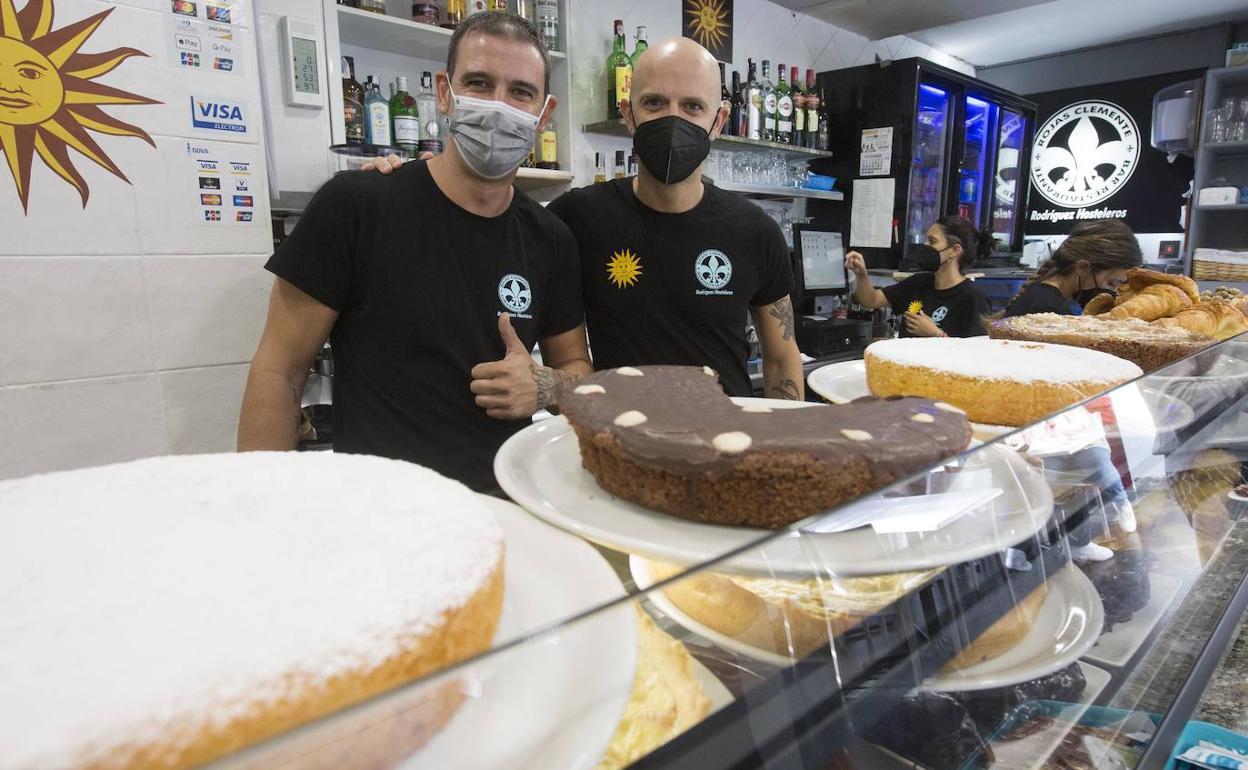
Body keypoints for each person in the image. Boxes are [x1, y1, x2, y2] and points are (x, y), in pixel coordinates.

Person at [237, 13, 592, 492]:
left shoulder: (552, 238)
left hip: (507, 508)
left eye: (520, 92)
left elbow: (576, 371)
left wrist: (543, 385)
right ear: (445, 93)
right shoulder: (356, 205)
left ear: (543, 113)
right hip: (382, 515)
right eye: (479, 83)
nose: (498, 107)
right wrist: (258, 510)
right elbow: (279, 371)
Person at [367, 38, 804, 401]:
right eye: (654, 102)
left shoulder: (755, 231)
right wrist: (421, 180)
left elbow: (782, 359)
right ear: (629, 114)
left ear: (718, 120)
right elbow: (487, 218)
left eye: (692, 106)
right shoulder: (577, 217)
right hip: (614, 448)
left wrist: (789, 454)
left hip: (722, 449)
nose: (673, 120)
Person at [845, 216, 992, 338]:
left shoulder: (972, 298)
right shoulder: (919, 282)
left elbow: (975, 356)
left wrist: (936, 334)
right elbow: (871, 300)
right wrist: (861, 275)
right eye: (925, 240)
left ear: (954, 250)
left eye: (932, 241)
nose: (925, 245)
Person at [1003, 220, 1143, 317]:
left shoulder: (1044, 295)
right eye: (1111, 283)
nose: (1113, 291)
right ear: (1082, 268)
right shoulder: (1049, 311)